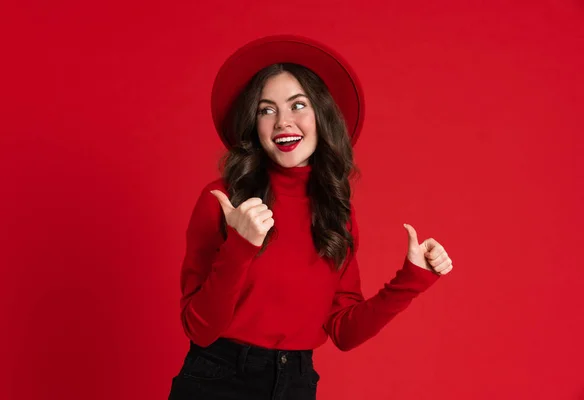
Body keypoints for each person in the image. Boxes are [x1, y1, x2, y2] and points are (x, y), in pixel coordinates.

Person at [168, 35, 454, 400]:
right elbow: (199, 328)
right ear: (254, 125)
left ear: (322, 114)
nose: (283, 122)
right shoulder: (225, 201)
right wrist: (240, 245)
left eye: (297, 105)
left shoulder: (335, 210)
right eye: (266, 110)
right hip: (218, 380)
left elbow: (344, 332)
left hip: (297, 382)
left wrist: (411, 281)